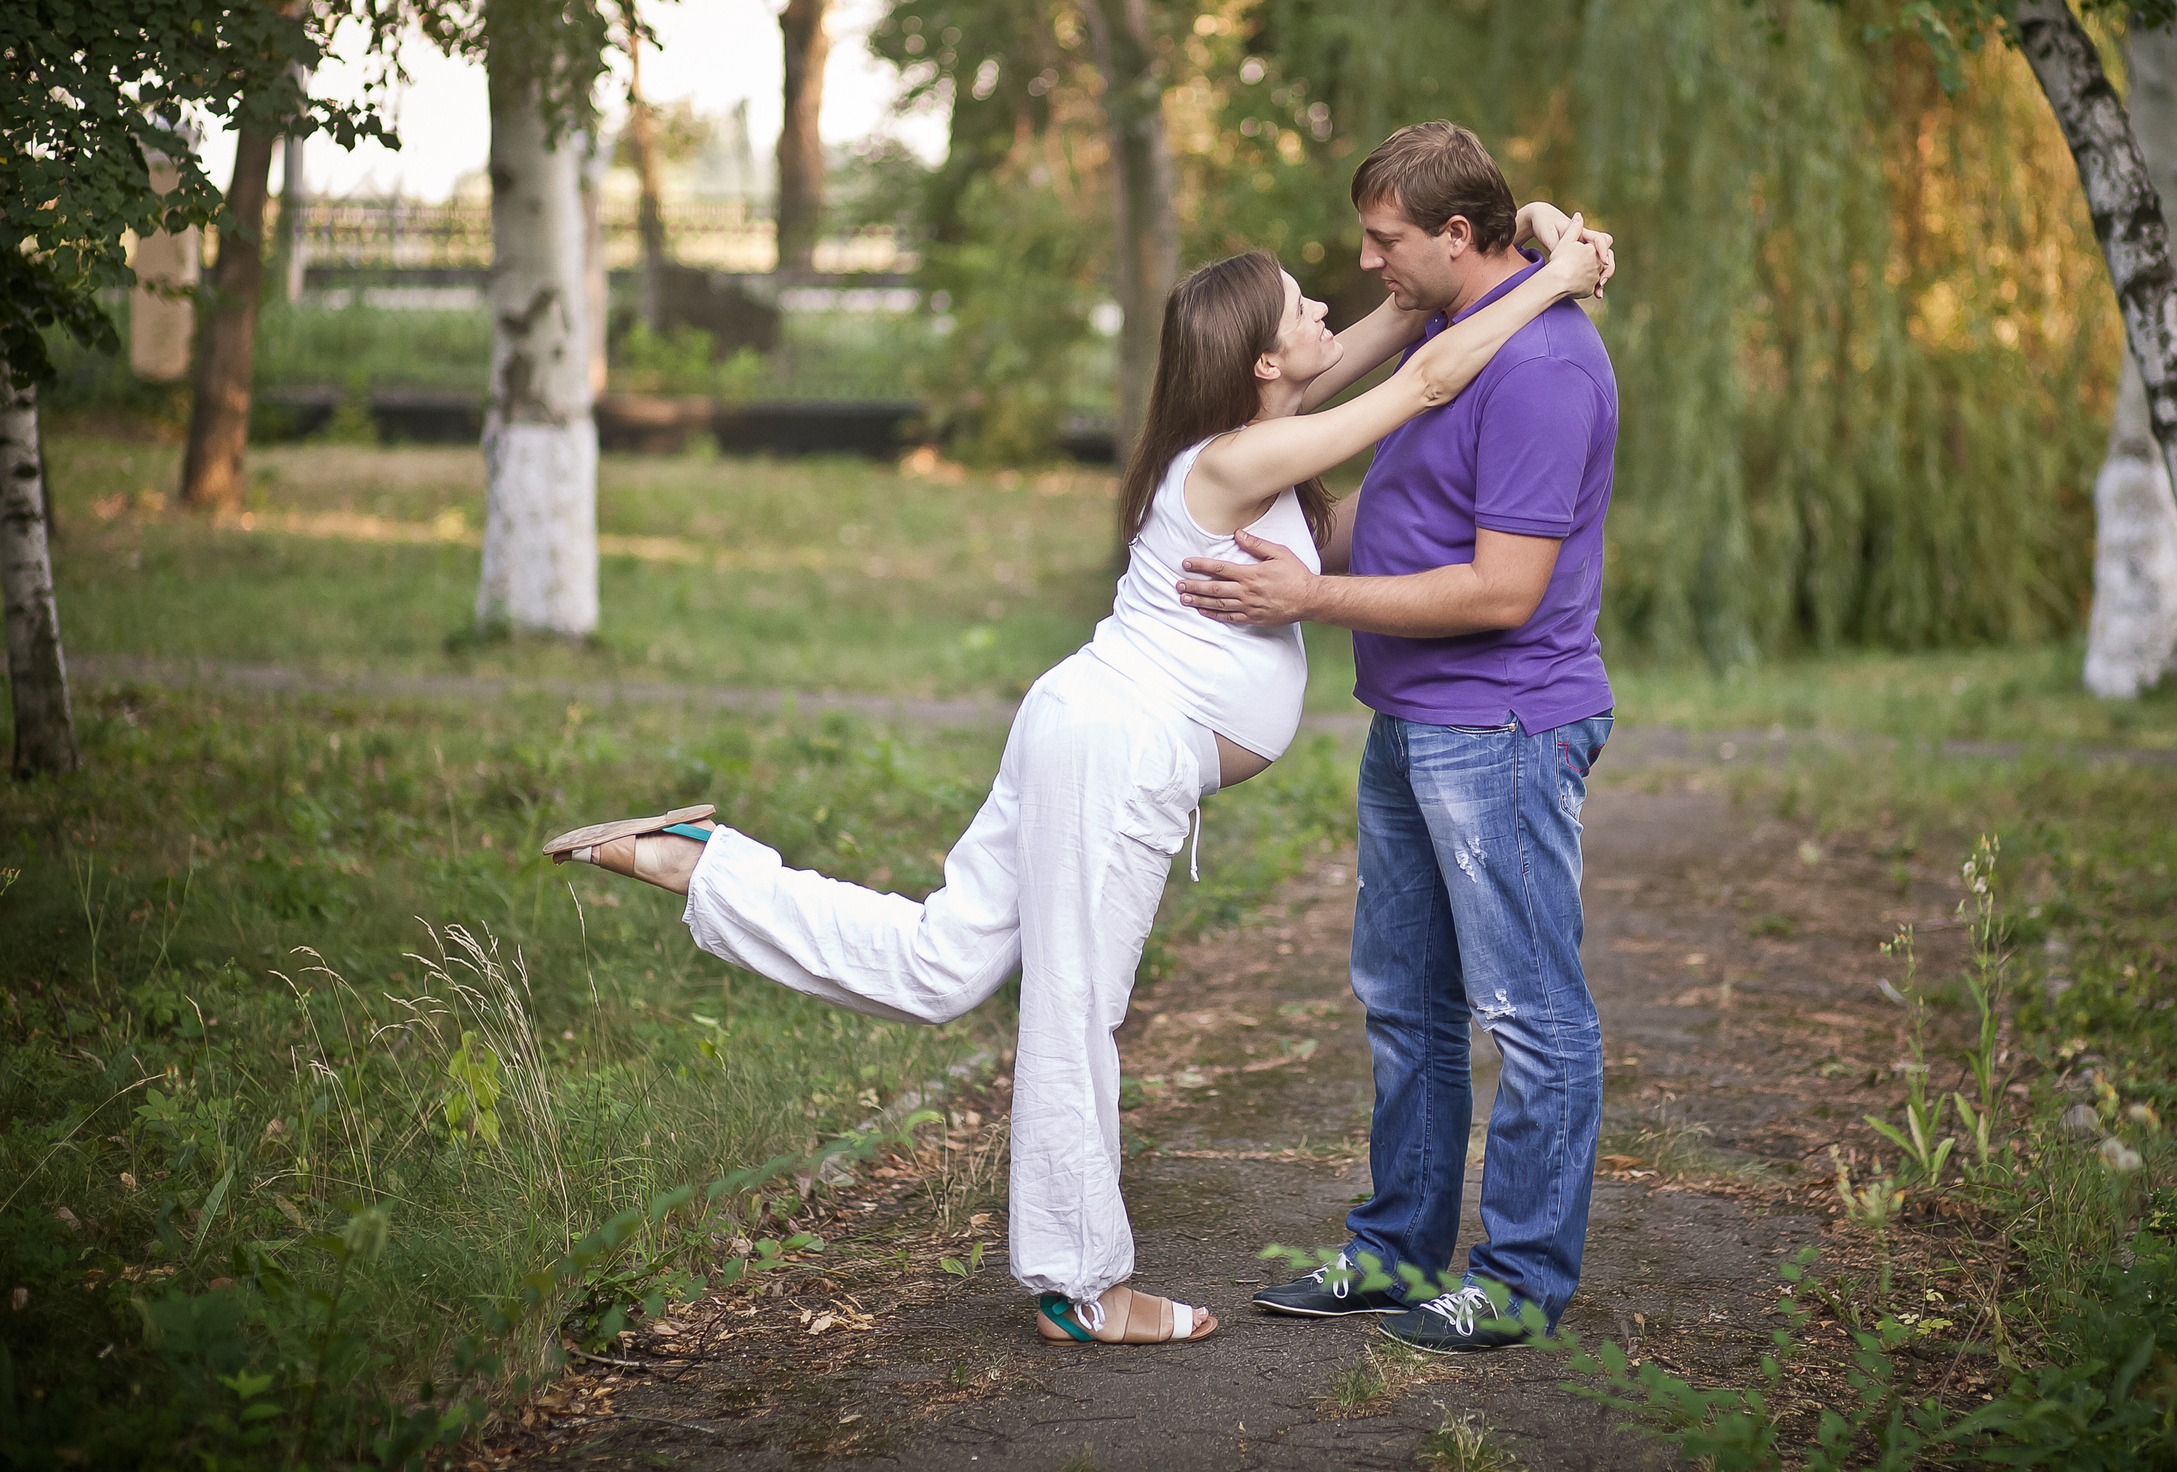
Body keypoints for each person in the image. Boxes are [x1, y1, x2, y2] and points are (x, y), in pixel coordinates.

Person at [537, 211, 1608, 1348]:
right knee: (1072, 1014)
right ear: (1259, 359)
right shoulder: (1239, 459)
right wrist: (1556, 283)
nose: (1333, 310)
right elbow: (1428, 373)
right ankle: (1078, 1283)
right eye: (1302, 307)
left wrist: (1536, 234)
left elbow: (1413, 308)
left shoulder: (1258, 432)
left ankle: (704, 864)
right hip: (1112, 746)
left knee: (941, 960)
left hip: (1085, 722)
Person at [1174, 122, 1619, 1354]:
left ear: (1455, 236)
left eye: (1384, 240)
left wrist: (1304, 598)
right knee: (1406, 1003)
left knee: (1529, 1014)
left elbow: (1499, 593)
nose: (1367, 260)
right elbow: (1404, 500)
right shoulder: (1451, 332)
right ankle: (1393, 1258)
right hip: (1414, 720)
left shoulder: (1540, 372)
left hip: (1504, 727)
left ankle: (1521, 1280)